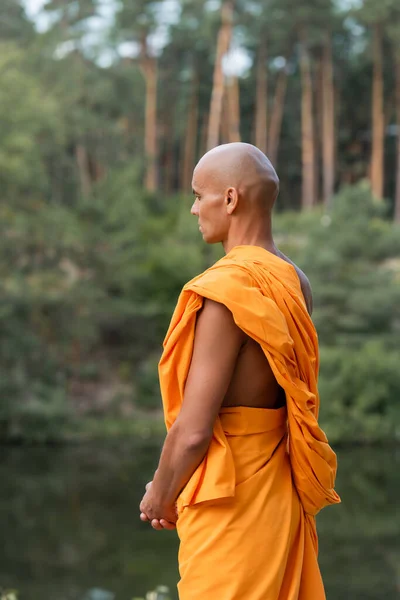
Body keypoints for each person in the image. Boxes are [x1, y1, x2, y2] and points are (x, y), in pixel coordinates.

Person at [139, 142, 340, 600]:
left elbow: (193, 431)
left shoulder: (227, 289)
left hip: (229, 502)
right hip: (276, 494)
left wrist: (160, 495)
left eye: (198, 195)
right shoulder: (294, 279)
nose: (193, 209)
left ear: (230, 199)